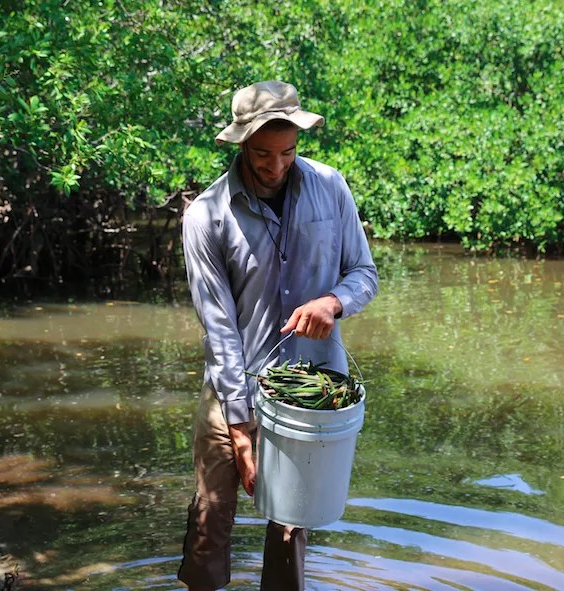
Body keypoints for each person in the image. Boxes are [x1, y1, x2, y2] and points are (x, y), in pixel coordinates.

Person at [178, 80, 378, 591]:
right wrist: (241, 428)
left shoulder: (331, 187)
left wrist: (333, 302)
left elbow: (364, 274)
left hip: (310, 392)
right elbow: (220, 329)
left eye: (288, 151)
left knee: (291, 527)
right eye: (263, 154)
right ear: (242, 144)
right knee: (210, 517)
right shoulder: (207, 216)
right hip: (232, 386)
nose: (276, 165)